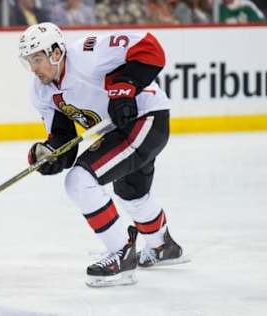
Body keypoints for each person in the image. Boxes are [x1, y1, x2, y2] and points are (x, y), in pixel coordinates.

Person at [19, 22, 186, 287]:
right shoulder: (41, 91)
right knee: (131, 191)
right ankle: (162, 246)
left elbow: (149, 47)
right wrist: (49, 155)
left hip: (147, 117)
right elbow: (64, 142)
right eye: (29, 61)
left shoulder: (88, 53)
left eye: (37, 59)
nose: (34, 69)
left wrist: (124, 86)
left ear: (55, 52)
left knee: (80, 181)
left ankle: (121, 254)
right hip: (122, 128)